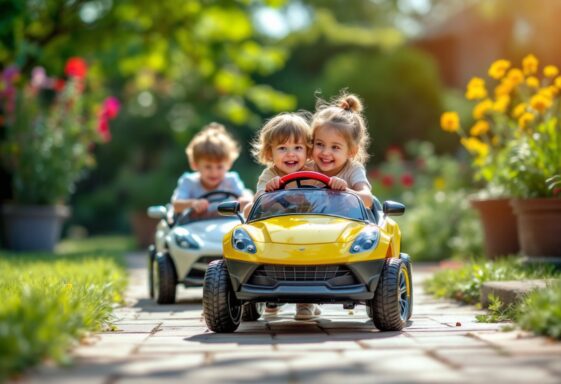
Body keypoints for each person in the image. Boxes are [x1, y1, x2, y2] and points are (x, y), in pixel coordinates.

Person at [247, 112, 317, 318]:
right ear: (270, 153)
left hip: (309, 229)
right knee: (274, 258)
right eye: (282, 148)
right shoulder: (269, 175)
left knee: (308, 261)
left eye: (298, 148)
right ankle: (271, 295)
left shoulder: (312, 173)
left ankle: (305, 302)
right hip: (278, 230)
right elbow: (257, 206)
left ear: (308, 151)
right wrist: (269, 194)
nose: (291, 154)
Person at [171, 123, 252, 215]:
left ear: (228, 165)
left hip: (227, 225)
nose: (214, 172)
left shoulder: (231, 180)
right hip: (195, 225)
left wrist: (244, 200)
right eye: (208, 167)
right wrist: (193, 203)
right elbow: (176, 205)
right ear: (195, 165)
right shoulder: (189, 181)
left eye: (219, 167)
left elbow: (246, 196)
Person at [310, 92, 373, 208]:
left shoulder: (353, 170)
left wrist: (345, 191)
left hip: (345, 223)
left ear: (351, 151)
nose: (325, 152)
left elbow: (368, 200)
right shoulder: (307, 167)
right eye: (319, 144)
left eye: (335, 147)